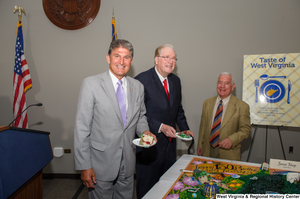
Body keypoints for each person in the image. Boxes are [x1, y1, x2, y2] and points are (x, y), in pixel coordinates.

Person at [74, 39, 157, 199]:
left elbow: (140, 116)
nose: (121, 61)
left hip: (128, 161)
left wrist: (145, 131)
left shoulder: (137, 86)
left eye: (126, 57)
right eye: (117, 56)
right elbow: (81, 128)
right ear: (108, 58)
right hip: (100, 164)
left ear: (131, 61)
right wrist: (84, 166)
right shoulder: (91, 84)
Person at [135, 44, 194, 199]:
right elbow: (136, 115)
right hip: (150, 147)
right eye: (166, 57)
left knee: (168, 188)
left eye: (173, 58)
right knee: (147, 188)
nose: (171, 61)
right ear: (156, 60)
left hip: (170, 146)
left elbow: (177, 110)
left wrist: (185, 129)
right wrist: (160, 127)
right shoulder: (141, 80)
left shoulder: (175, 81)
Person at [197, 72, 251, 161]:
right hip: (207, 152)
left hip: (229, 154)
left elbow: (246, 129)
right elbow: (203, 126)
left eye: (227, 83)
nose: (222, 86)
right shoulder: (207, 103)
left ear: (233, 87)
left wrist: (231, 140)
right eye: (220, 82)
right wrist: (200, 144)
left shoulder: (242, 106)